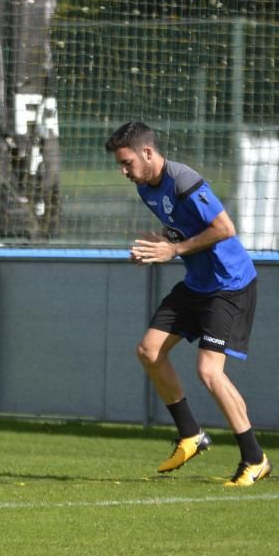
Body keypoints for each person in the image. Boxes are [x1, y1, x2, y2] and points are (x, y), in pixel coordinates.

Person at [106, 121, 270, 486]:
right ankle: (191, 435)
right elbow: (182, 227)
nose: (123, 171)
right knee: (149, 351)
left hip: (229, 284)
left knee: (209, 371)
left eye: (127, 162)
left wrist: (173, 249)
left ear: (147, 153)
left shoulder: (184, 180)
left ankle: (255, 459)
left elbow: (224, 228)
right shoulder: (146, 188)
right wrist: (159, 242)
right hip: (197, 283)